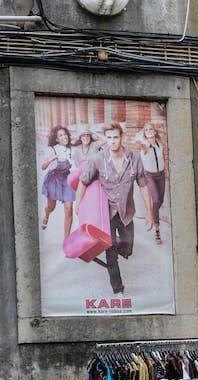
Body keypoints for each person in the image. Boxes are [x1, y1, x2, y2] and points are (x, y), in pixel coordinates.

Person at [75, 123, 153, 296]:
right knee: (111, 254)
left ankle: (112, 247)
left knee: (127, 248)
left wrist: (149, 212)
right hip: (106, 213)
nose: (112, 141)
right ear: (106, 138)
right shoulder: (98, 159)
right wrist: (78, 205)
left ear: (121, 137)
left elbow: (143, 184)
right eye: (109, 137)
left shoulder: (134, 157)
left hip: (126, 212)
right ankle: (118, 289)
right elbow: (83, 180)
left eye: (115, 137)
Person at [134, 121, 168, 245]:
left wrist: (167, 171)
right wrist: (143, 134)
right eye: (146, 130)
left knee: (160, 201)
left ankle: (153, 214)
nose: (149, 131)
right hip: (150, 176)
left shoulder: (160, 143)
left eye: (151, 129)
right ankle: (157, 229)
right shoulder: (144, 145)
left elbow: (163, 157)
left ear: (154, 131)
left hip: (161, 174)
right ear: (144, 132)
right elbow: (136, 141)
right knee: (156, 200)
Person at [40, 125, 75, 239]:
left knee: (69, 209)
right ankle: (46, 216)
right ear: (56, 139)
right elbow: (43, 167)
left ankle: (67, 240)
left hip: (66, 179)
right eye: (61, 135)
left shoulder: (70, 150)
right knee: (51, 207)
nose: (64, 137)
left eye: (65, 134)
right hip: (54, 180)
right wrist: (50, 159)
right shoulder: (52, 149)